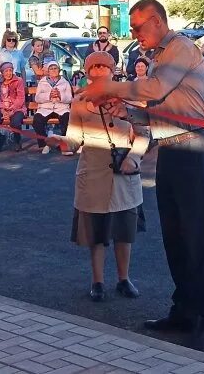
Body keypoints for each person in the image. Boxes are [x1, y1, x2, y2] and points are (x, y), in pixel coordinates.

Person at [77, 0, 204, 341]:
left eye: (138, 27)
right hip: (173, 149)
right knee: (176, 235)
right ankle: (185, 311)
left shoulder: (181, 48)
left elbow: (155, 90)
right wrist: (126, 109)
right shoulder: (161, 56)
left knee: (195, 234)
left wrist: (110, 88)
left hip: (191, 149)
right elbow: (158, 110)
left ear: (156, 21)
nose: (134, 34)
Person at [46, 51, 149, 302]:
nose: (100, 71)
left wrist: (133, 159)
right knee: (96, 234)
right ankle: (98, 281)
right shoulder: (80, 100)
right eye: (95, 67)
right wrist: (61, 141)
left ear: (114, 69)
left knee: (124, 232)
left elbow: (145, 133)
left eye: (105, 66)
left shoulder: (131, 97)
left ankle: (124, 279)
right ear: (88, 71)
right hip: (92, 173)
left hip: (124, 172)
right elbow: (74, 138)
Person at [33, 62, 73, 154]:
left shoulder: (65, 82)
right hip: (45, 108)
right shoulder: (42, 82)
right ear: (48, 71)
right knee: (37, 120)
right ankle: (45, 144)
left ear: (59, 70)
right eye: (51, 69)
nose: (54, 70)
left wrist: (60, 95)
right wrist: (48, 95)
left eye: (56, 68)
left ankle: (64, 145)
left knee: (67, 118)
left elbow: (70, 99)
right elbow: (37, 98)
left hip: (61, 107)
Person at [0, 62, 26, 152]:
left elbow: (20, 98)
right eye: (6, 71)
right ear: (2, 72)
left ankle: (17, 141)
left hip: (17, 108)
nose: (9, 73)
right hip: (3, 107)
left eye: (10, 70)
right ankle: (0, 139)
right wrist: (2, 110)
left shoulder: (19, 80)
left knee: (15, 122)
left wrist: (12, 110)